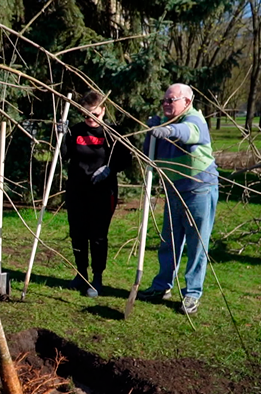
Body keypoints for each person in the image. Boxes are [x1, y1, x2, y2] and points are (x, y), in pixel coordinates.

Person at [137, 83, 219, 315]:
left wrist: (168, 131)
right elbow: (149, 156)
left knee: (197, 243)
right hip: (173, 189)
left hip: (198, 188)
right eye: (164, 100)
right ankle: (162, 286)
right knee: (170, 240)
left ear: (187, 102)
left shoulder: (194, 119)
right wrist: (151, 134)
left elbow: (189, 133)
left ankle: (192, 293)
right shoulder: (161, 122)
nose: (166, 103)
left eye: (171, 100)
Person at [60, 90, 132, 297]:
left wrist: (110, 169)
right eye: (85, 115)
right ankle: (80, 274)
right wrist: (61, 136)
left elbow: (126, 159)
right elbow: (63, 156)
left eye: (94, 114)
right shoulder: (76, 131)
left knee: (98, 236)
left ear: (103, 110)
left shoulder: (114, 133)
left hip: (102, 192)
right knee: (77, 234)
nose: (90, 119)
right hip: (77, 190)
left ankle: (97, 277)